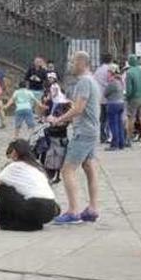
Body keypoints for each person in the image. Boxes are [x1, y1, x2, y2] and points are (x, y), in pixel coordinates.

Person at [48, 50, 101, 225]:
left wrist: (58, 119)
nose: (71, 65)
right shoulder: (92, 80)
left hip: (83, 132)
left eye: (73, 62)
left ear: (81, 63)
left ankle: (73, 211)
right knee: (88, 167)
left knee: (67, 170)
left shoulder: (84, 81)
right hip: (92, 130)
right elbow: (82, 107)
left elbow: (79, 109)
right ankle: (92, 208)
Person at [0, 139, 60, 231]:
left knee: (4, 189)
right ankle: (32, 223)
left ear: (15, 152)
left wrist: (6, 179)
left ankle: (3, 223)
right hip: (50, 209)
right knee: (21, 193)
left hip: (35, 206)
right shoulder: (37, 167)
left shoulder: (14, 166)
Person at [125, 55, 141, 149]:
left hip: (133, 98)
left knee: (131, 119)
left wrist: (127, 97)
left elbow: (129, 89)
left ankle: (129, 139)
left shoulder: (129, 72)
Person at [104, 65, 126, 150]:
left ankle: (115, 144)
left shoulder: (112, 82)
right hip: (121, 103)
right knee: (119, 124)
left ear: (111, 73)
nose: (107, 74)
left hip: (113, 104)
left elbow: (105, 93)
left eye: (108, 72)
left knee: (113, 125)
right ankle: (121, 143)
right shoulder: (120, 81)